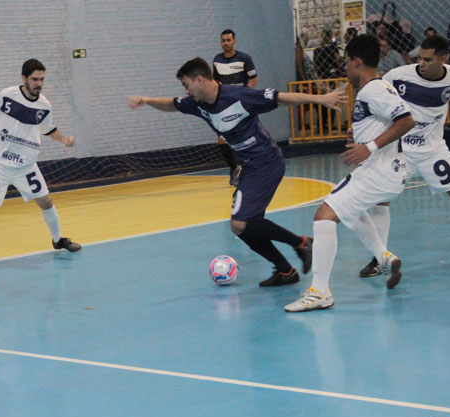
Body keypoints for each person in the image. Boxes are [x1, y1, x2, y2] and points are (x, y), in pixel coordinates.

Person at [127, 57, 347, 287]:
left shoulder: (239, 96)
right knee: (244, 227)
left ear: (200, 80)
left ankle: (301, 244)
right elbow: (171, 104)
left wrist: (321, 99)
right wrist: (147, 100)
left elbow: (281, 98)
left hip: (267, 162)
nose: (185, 90)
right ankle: (286, 271)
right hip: (251, 167)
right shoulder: (198, 103)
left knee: (241, 223)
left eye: (186, 84)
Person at [285, 34, 415, 313]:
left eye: (346, 63)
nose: (345, 68)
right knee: (350, 211)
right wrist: (361, 134)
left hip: (377, 172)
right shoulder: (379, 88)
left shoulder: (372, 90)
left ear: (357, 61)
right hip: (390, 172)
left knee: (324, 217)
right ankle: (383, 257)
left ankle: (319, 291)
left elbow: (406, 121)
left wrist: (368, 147)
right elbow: (385, 122)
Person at [354, 35, 450, 278]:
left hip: (432, 150)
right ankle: (379, 258)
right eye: (420, 57)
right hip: (399, 149)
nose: (421, 63)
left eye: (428, 59)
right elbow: (375, 98)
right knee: (381, 199)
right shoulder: (397, 76)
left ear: (443, 59)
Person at [0, 59, 81, 267]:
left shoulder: (44, 105)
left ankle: (57, 239)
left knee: (46, 201)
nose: (39, 84)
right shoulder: (7, 95)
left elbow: (48, 128)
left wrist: (64, 140)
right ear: (24, 78)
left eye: (42, 80)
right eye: (35, 79)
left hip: (25, 164)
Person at [212, 29, 258, 186]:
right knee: (221, 139)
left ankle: (252, 166)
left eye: (228, 40)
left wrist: (243, 94)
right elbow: (215, 81)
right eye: (223, 40)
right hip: (224, 105)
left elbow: (254, 79)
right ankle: (234, 168)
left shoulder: (244, 58)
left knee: (248, 135)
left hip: (242, 104)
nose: (226, 43)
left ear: (234, 41)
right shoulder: (217, 60)